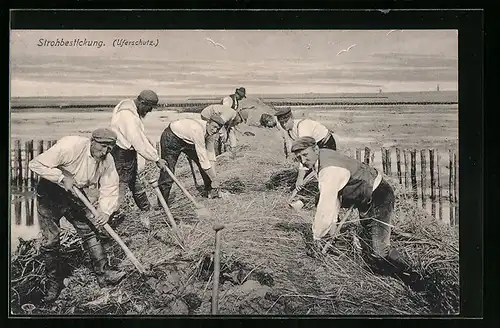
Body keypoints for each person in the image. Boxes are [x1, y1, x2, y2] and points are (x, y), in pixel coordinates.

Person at [28, 128, 126, 303]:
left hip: (75, 193)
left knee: (89, 231)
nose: (104, 152)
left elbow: (110, 186)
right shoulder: (70, 146)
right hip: (50, 192)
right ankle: (53, 285)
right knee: (51, 240)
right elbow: (35, 164)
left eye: (109, 148)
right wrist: (60, 177)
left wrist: (105, 211)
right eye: (102, 146)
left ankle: (104, 275)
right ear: (92, 141)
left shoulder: (107, 159)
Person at [289, 136, 411, 275]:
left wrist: (317, 236)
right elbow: (333, 197)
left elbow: (326, 207)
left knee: (379, 252)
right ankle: (336, 237)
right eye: (299, 158)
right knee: (367, 246)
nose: (303, 161)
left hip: (379, 196)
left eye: (305, 155)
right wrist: (330, 228)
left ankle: (410, 273)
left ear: (315, 149)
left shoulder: (329, 170)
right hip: (363, 194)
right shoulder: (321, 156)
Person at [109, 90, 168, 219]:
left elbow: (139, 136)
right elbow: (138, 141)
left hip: (124, 153)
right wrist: (156, 158)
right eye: (149, 107)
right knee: (120, 187)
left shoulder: (128, 107)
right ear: (142, 103)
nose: (150, 111)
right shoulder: (128, 116)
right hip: (121, 155)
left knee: (135, 182)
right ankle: (109, 218)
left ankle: (146, 209)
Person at [157, 115, 225, 204]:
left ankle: (210, 191)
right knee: (168, 171)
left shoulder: (211, 133)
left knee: (204, 165)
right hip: (171, 137)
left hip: (187, 139)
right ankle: (162, 204)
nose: (215, 130)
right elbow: (203, 158)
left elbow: (210, 155)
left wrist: (214, 177)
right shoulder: (198, 130)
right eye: (214, 127)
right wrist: (214, 179)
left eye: (218, 129)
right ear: (208, 123)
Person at [275, 107, 338, 191]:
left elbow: (304, 153)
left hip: (326, 142)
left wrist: (300, 179)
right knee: (311, 167)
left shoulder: (302, 127)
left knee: (323, 167)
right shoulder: (289, 131)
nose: (284, 125)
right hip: (315, 145)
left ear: (291, 118)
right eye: (281, 123)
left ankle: (331, 189)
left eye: (286, 121)